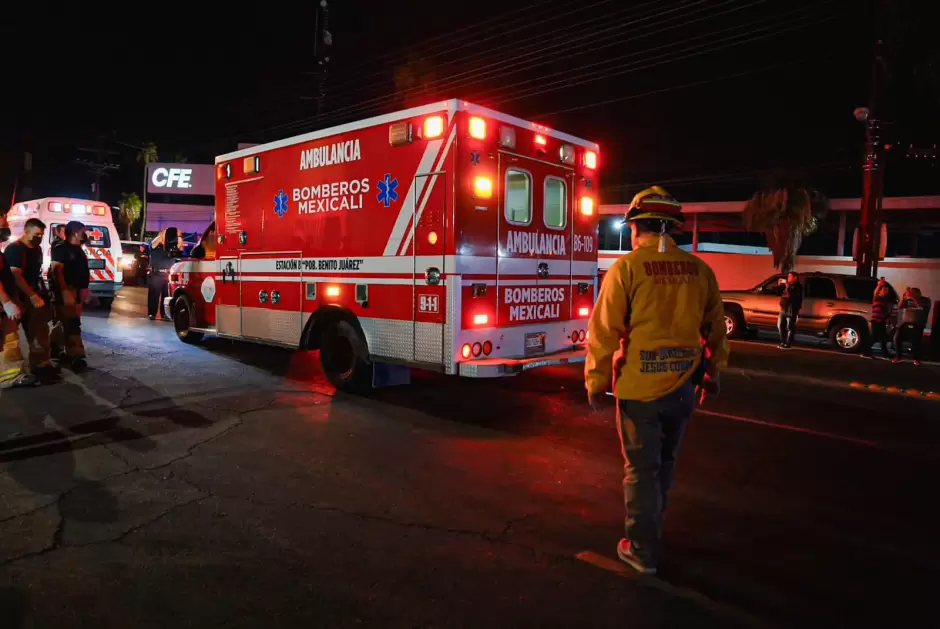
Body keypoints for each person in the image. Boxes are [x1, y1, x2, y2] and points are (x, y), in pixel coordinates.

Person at [585, 186, 729, 576]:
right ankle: (653, 528)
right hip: (683, 390)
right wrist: (712, 374)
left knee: (641, 471)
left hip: (639, 392)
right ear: (673, 229)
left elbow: (603, 331)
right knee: (664, 465)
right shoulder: (699, 270)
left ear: (636, 228)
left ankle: (642, 548)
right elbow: (716, 330)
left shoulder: (628, 268)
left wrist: (596, 381)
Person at [2, 217, 55, 376]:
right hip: (17, 295)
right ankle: (10, 374)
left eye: (41, 235)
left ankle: (41, 365)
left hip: (32, 294)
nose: (39, 238)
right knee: (9, 336)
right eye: (36, 234)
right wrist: (31, 295)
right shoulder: (15, 249)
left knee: (39, 331)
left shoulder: (36, 249)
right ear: (26, 231)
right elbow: (16, 275)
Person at [48, 221, 94, 370]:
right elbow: (56, 271)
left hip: (77, 292)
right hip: (67, 291)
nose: (85, 234)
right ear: (75, 232)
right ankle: (76, 356)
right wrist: (64, 291)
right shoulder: (61, 249)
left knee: (66, 323)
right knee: (72, 324)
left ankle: (56, 349)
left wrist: (86, 290)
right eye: (83, 231)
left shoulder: (77, 249)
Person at [0, 211, 38, 388]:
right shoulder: (15, 249)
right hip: (2, 304)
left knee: (9, 339)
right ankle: (10, 377)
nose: (5, 229)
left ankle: (10, 375)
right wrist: (7, 302)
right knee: (8, 340)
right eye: (2, 225)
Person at [148, 227, 182, 320]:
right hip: (156, 274)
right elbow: (156, 241)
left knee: (166, 295)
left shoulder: (172, 248)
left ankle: (165, 314)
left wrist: (176, 234)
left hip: (168, 275)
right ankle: (152, 313)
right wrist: (164, 233)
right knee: (154, 295)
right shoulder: (155, 246)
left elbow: (180, 242)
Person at [893, 287, 930, 365]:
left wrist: (913, 297)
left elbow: (921, 307)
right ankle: (898, 356)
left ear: (918, 293)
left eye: (913, 293)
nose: (911, 294)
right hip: (906, 323)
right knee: (897, 338)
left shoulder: (925, 300)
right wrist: (903, 298)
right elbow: (900, 307)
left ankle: (916, 359)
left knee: (916, 342)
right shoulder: (907, 300)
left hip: (918, 324)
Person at [864, 278, 892, 359]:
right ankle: (866, 352)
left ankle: (884, 354)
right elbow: (875, 292)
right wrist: (879, 285)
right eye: (884, 290)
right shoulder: (877, 297)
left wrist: (887, 316)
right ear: (880, 291)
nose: (886, 292)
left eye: (887, 290)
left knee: (883, 338)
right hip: (876, 321)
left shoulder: (884, 300)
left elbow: (885, 312)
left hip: (881, 321)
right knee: (875, 338)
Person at [777, 271, 803, 349]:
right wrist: (779, 285)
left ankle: (788, 343)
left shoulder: (798, 287)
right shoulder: (787, 286)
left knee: (790, 326)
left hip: (792, 308)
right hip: (784, 308)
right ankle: (783, 341)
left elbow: (793, 295)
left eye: (790, 276)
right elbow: (779, 293)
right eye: (788, 276)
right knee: (780, 325)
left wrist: (787, 285)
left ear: (795, 278)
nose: (788, 278)